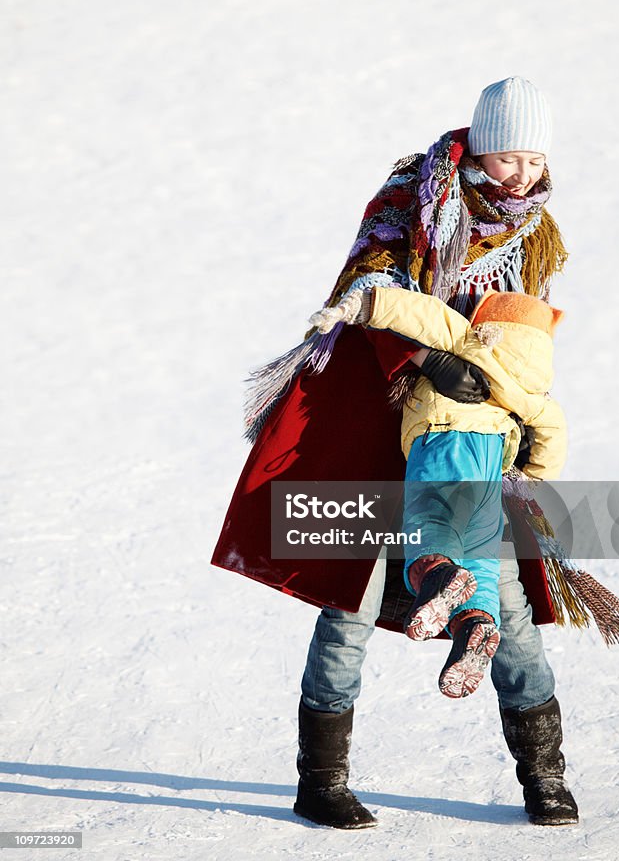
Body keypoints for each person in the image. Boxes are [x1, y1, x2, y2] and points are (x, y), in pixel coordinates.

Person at [211, 76, 579, 831]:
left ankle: (544, 780)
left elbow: (525, 331)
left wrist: (512, 408)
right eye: (510, 157)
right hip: (377, 430)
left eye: (534, 159)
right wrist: (424, 360)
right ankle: (321, 781)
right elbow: (366, 287)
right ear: (479, 145)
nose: (522, 175)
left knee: (502, 607)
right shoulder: (412, 198)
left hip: (470, 440)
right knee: (352, 602)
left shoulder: (535, 230)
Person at [310, 286, 566, 701]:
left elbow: (415, 312)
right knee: (479, 575)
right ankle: (474, 624)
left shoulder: (473, 334)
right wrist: (527, 476)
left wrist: (360, 306)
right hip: (463, 472)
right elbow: (554, 432)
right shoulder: (533, 389)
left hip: (436, 451)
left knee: (431, 536)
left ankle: (439, 576)